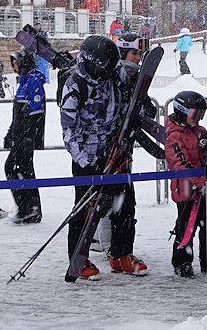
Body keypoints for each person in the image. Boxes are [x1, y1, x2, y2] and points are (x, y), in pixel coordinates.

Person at [60, 34, 148, 280]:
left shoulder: (114, 74)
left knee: (125, 202)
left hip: (115, 152)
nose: (108, 73)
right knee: (86, 208)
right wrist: (87, 162)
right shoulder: (75, 85)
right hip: (87, 157)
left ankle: (121, 255)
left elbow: (127, 99)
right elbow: (69, 132)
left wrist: (137, 112)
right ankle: (79, 257)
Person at [165, 91, 207, 278]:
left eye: (200, 115)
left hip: (205, 191)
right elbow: (180, 164)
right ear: (182, 112)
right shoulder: (174, 137)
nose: (197, 119)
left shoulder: (200, 132)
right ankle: (182, 261)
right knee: (185, 228)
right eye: (194, 115)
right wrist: (200, 181)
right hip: (185, 191)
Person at [4, 49, 46, 224]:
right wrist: (10, 133)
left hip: (26, 138)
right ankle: (27, 207)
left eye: (15, 63)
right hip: (20, 136)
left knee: (20, 169)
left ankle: (31, 208)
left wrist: (28, 137)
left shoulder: (33, 81)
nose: (13, 67)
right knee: (17, 169)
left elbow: (36, 113)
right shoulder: (24, 82)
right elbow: (18, 115)